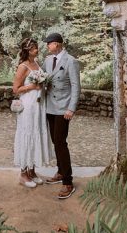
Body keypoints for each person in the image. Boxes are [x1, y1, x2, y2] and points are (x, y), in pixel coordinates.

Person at [42, 31, 81, 199]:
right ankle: (59, 171)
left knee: (60, 142)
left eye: (48, 44)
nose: (47, 46)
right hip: (50, 107)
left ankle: (68, 181)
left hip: (63, 108)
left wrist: (71, 109)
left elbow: (76, 86)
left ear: (56, 43)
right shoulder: (47, 60)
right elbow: (43, 80)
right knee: (55, 141)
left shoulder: (71, 61)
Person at [11, 37, 54, 188]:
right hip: (28, 106)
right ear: (28, 51)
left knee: (37, 133)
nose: (38, 50)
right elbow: (15, 89)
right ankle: (23, 174)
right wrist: (32, 87)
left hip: (39, 106)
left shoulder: (36, 63)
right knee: (28, 134)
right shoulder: (23, 67)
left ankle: (32, 170)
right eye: (35, 48)